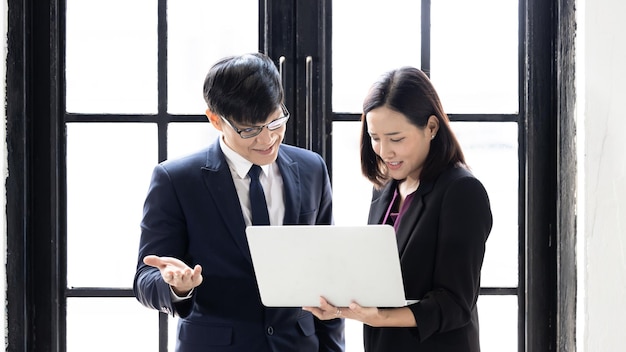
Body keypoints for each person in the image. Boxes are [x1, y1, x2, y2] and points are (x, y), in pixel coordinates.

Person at [133, 52, 345, 352]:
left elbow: (327, 271)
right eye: (250, 130)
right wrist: (176, 286)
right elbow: (145, 279)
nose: (267, 139)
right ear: (215, 120)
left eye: (275, 122)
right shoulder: (177, 179)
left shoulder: (311, 168)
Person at [304, 66, 492, 352]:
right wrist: (341, 306)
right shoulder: (385, 186)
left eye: (396, 138)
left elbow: (455, 304)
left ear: (431, 127)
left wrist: (380, 318)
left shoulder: (461, 191)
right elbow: (385, 280)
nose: (384, 150)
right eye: (375, 137)